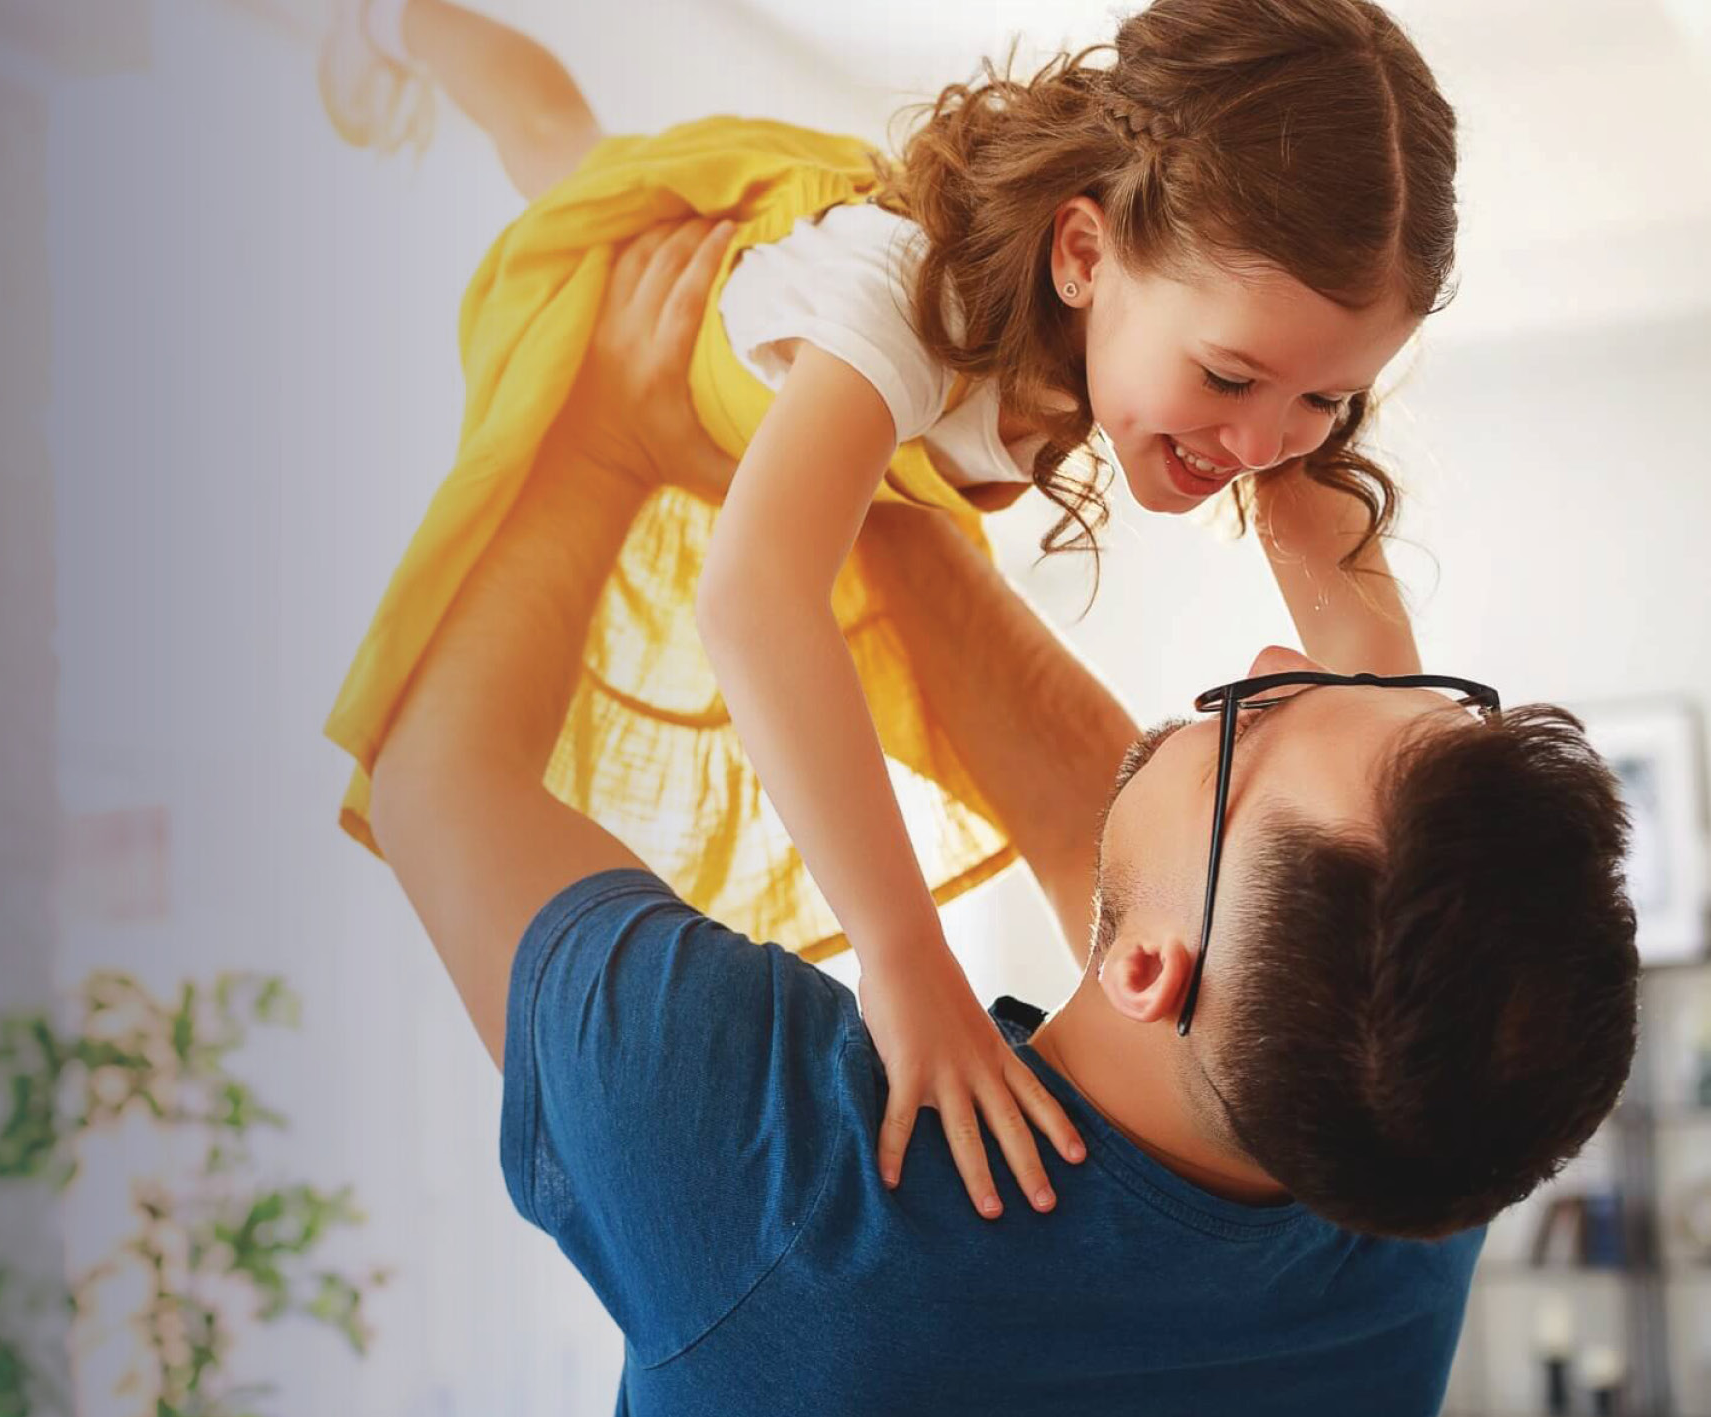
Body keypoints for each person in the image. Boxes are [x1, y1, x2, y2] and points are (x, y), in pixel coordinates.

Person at [361, 222, 1640, 1412]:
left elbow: (434, 782)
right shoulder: (1412, 1168)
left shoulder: (787, 1191)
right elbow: (1144, 844)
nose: (1264, 659)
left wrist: (603, 434)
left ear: (1149, 970)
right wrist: (861, 439)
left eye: (1256, 723)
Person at [322, 0, 1463, 1207]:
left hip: (846, 378)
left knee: (560, 138)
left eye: (1327, 401)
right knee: (557, 147)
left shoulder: (1262, 352)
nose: (1261, 442)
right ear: (1081, 256)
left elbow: (1373, 698)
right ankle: (395, 20)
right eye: (1228, 378)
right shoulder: (907, 306)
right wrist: (905, 960)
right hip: (649, 320)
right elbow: (754, 602)